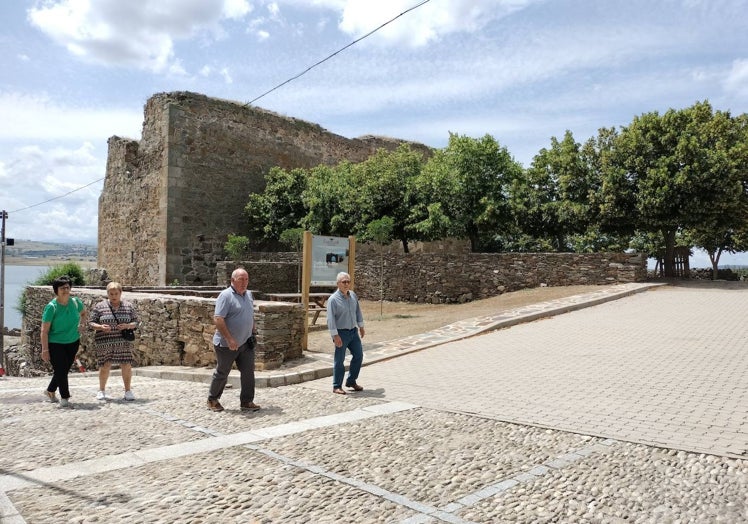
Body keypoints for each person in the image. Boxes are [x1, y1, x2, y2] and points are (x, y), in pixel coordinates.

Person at [206, 267, 260, 412]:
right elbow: (218, 319)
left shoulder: (249, 295)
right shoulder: (225, 296)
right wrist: (229, 339)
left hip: (246, 342)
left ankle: (247, 401)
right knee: (223, 372)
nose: (244, 282)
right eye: (241, 279)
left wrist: (253, 330)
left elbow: (250, 314)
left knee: (248, 372)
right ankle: (212, 399)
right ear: (232, 280)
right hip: (227, 344)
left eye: (246, 279)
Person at [40, 275, 87, 408]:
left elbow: (84, 314)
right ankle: (65, 397)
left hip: (73, 341)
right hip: (55, 343)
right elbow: (44, 331)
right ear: (56, 290)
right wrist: (45, 349)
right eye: (62, 288)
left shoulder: (76, 302)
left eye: (68, 287)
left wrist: (82, 324)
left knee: (63, 370)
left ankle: (50, 390)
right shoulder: (51, 307)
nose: (66, 290)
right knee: (61, 369)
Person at [88, 282, 139, 401]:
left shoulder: (128, 306)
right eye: (111, 294)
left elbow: (136, 322)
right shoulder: (100, 306)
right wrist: (100, 327)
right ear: (107, 294)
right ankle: (101, 390)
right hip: (105, 342)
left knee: (126, 365)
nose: (113, 296)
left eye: (116, 293)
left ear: (120, 293)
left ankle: (128, 391)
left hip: (123, 342)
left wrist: (128, 325)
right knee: (105, 365)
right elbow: (91, 322)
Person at [327, 271, 365, 395]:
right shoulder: (333, 300)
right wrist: (335, 335)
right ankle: (336, 386)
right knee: (339, 360)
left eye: (348, 281)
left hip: (353, 332)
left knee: (358, 355)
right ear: (338, 283)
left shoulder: (353, 295)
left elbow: (357, 311)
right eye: (344, 282)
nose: (346, 284)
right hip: (341, 333)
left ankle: (351, 381)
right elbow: (330, 319)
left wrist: (361, 326)